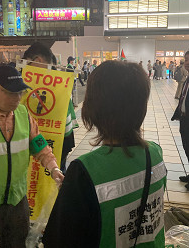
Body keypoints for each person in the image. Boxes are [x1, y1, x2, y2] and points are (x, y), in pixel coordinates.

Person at [43, 60, 167, 248]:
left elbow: (59, 240)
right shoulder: (155, 153)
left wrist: (72, 193)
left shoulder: (85, 171)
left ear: (95, 108)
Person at [0, 65, 64, 247]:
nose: (17, 98)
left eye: (20, 93)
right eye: (11, 93)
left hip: (18, 203)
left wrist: (54, 169)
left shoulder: (23, 114)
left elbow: (40, 145)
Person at [23, 43, 78, 174]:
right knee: (56, 178)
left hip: (48, 141)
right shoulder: (60, 80)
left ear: (37, 60)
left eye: (27, 63)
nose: (25, 68)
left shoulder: (36, 80)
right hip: (61, 141)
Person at [172, 51, 189, 190]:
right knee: (186, 146)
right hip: (184, 119)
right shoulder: (188, 78)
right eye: (186, 60)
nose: (187, 63)